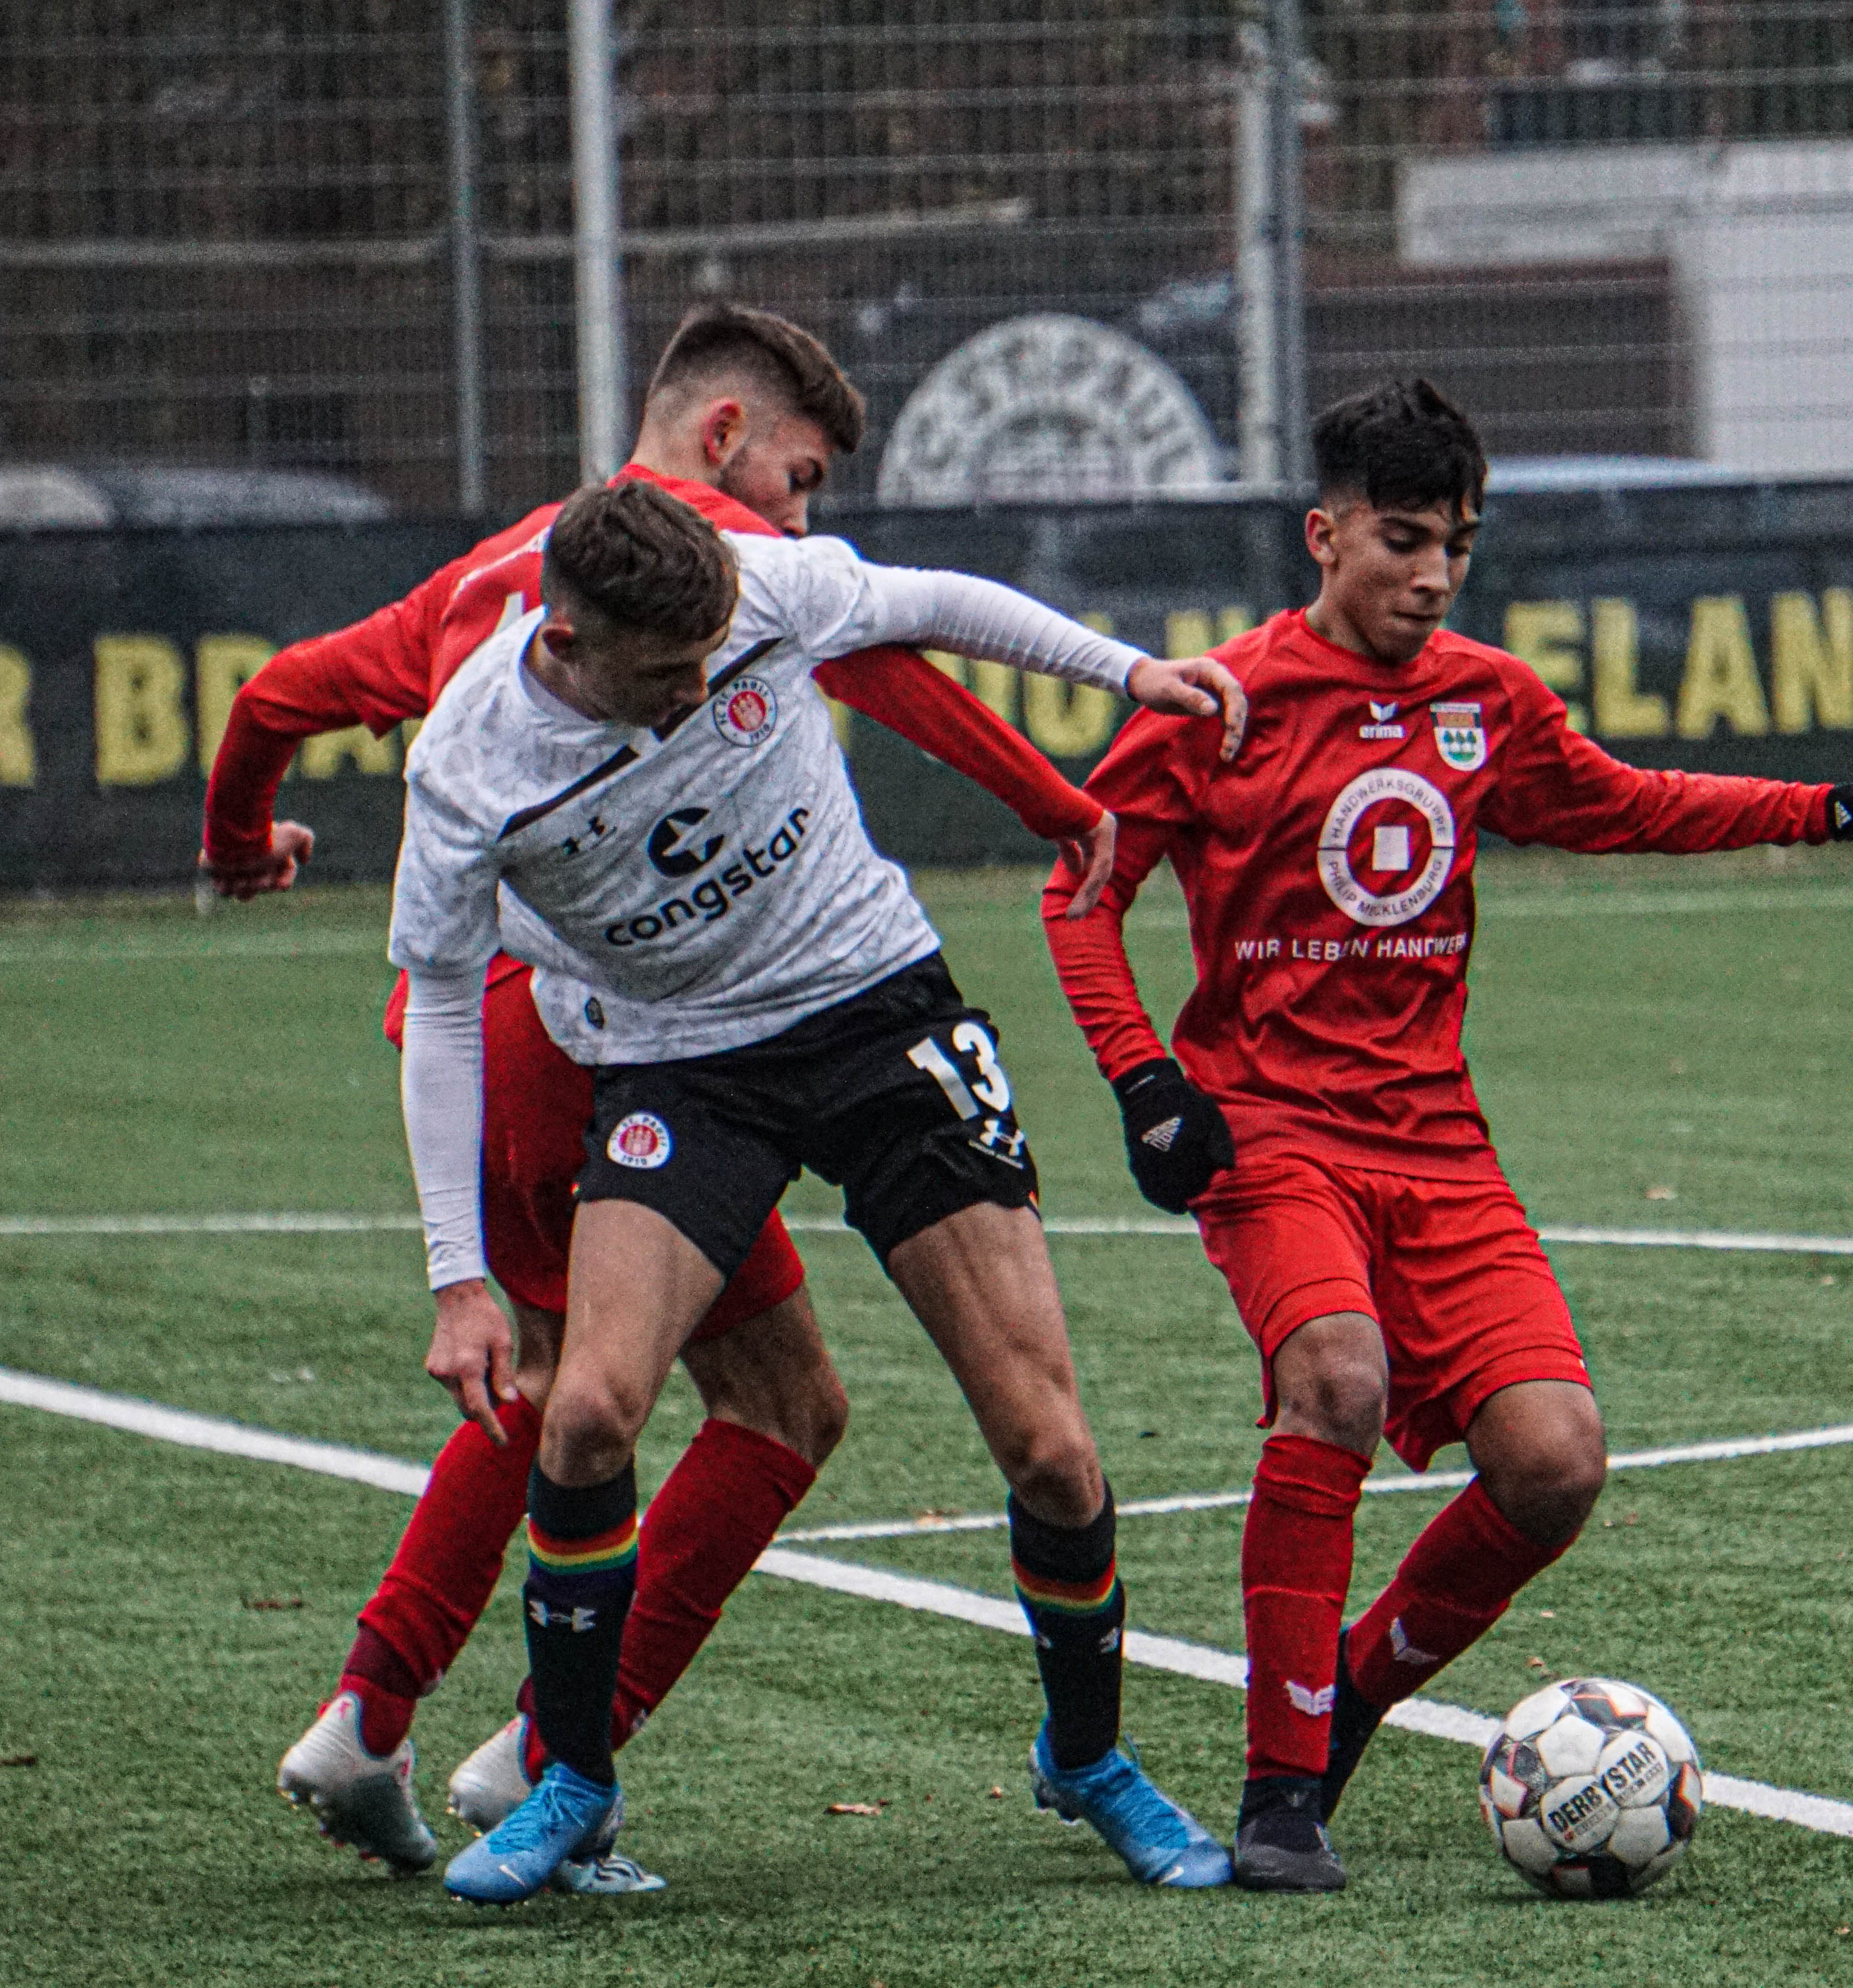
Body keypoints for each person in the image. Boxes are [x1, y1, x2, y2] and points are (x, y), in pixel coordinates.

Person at [205, 305, 1120, 1885]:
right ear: (717, 440)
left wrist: (239, 846)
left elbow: (278, 693)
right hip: (607, 1027)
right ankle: (548, 1755)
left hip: (546, 1022)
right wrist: (1057, 796)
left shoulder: (499, 577)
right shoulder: (688, 585)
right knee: (671, 1398)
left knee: (595, 1382)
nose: (799, 518)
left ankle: (383, 1712)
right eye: (800, 476)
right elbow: (888, 662)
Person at [1040, 378, 1853, 1891]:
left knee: (1556, 1464)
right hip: (1275, 1134)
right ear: (1324, 532)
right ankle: (1283, 1792)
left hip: (1438, 1150)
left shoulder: (1488, 698)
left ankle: (1345, 1697)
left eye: (1457, 547)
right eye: (1403, 541)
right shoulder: (1217, 704)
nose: (1431, 576)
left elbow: (1626, 803)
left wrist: (1837, 811)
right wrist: (1146, 1079)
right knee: (1336, 1378)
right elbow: (1080, 893)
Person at [391, 478, 1253, 1903]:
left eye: (709, 667)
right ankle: (573, 1784)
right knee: (591, 1409)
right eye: (663, 679)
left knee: (1047, 1443)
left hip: (874, 1009)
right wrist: (456, 1272)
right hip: (678, 1064)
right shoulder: (472, 762)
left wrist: (1126, 670)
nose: (693, 695)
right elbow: (436, 1001)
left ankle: (1089, 1756)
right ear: (565, 638)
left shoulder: (758, 584)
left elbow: (934, 603)